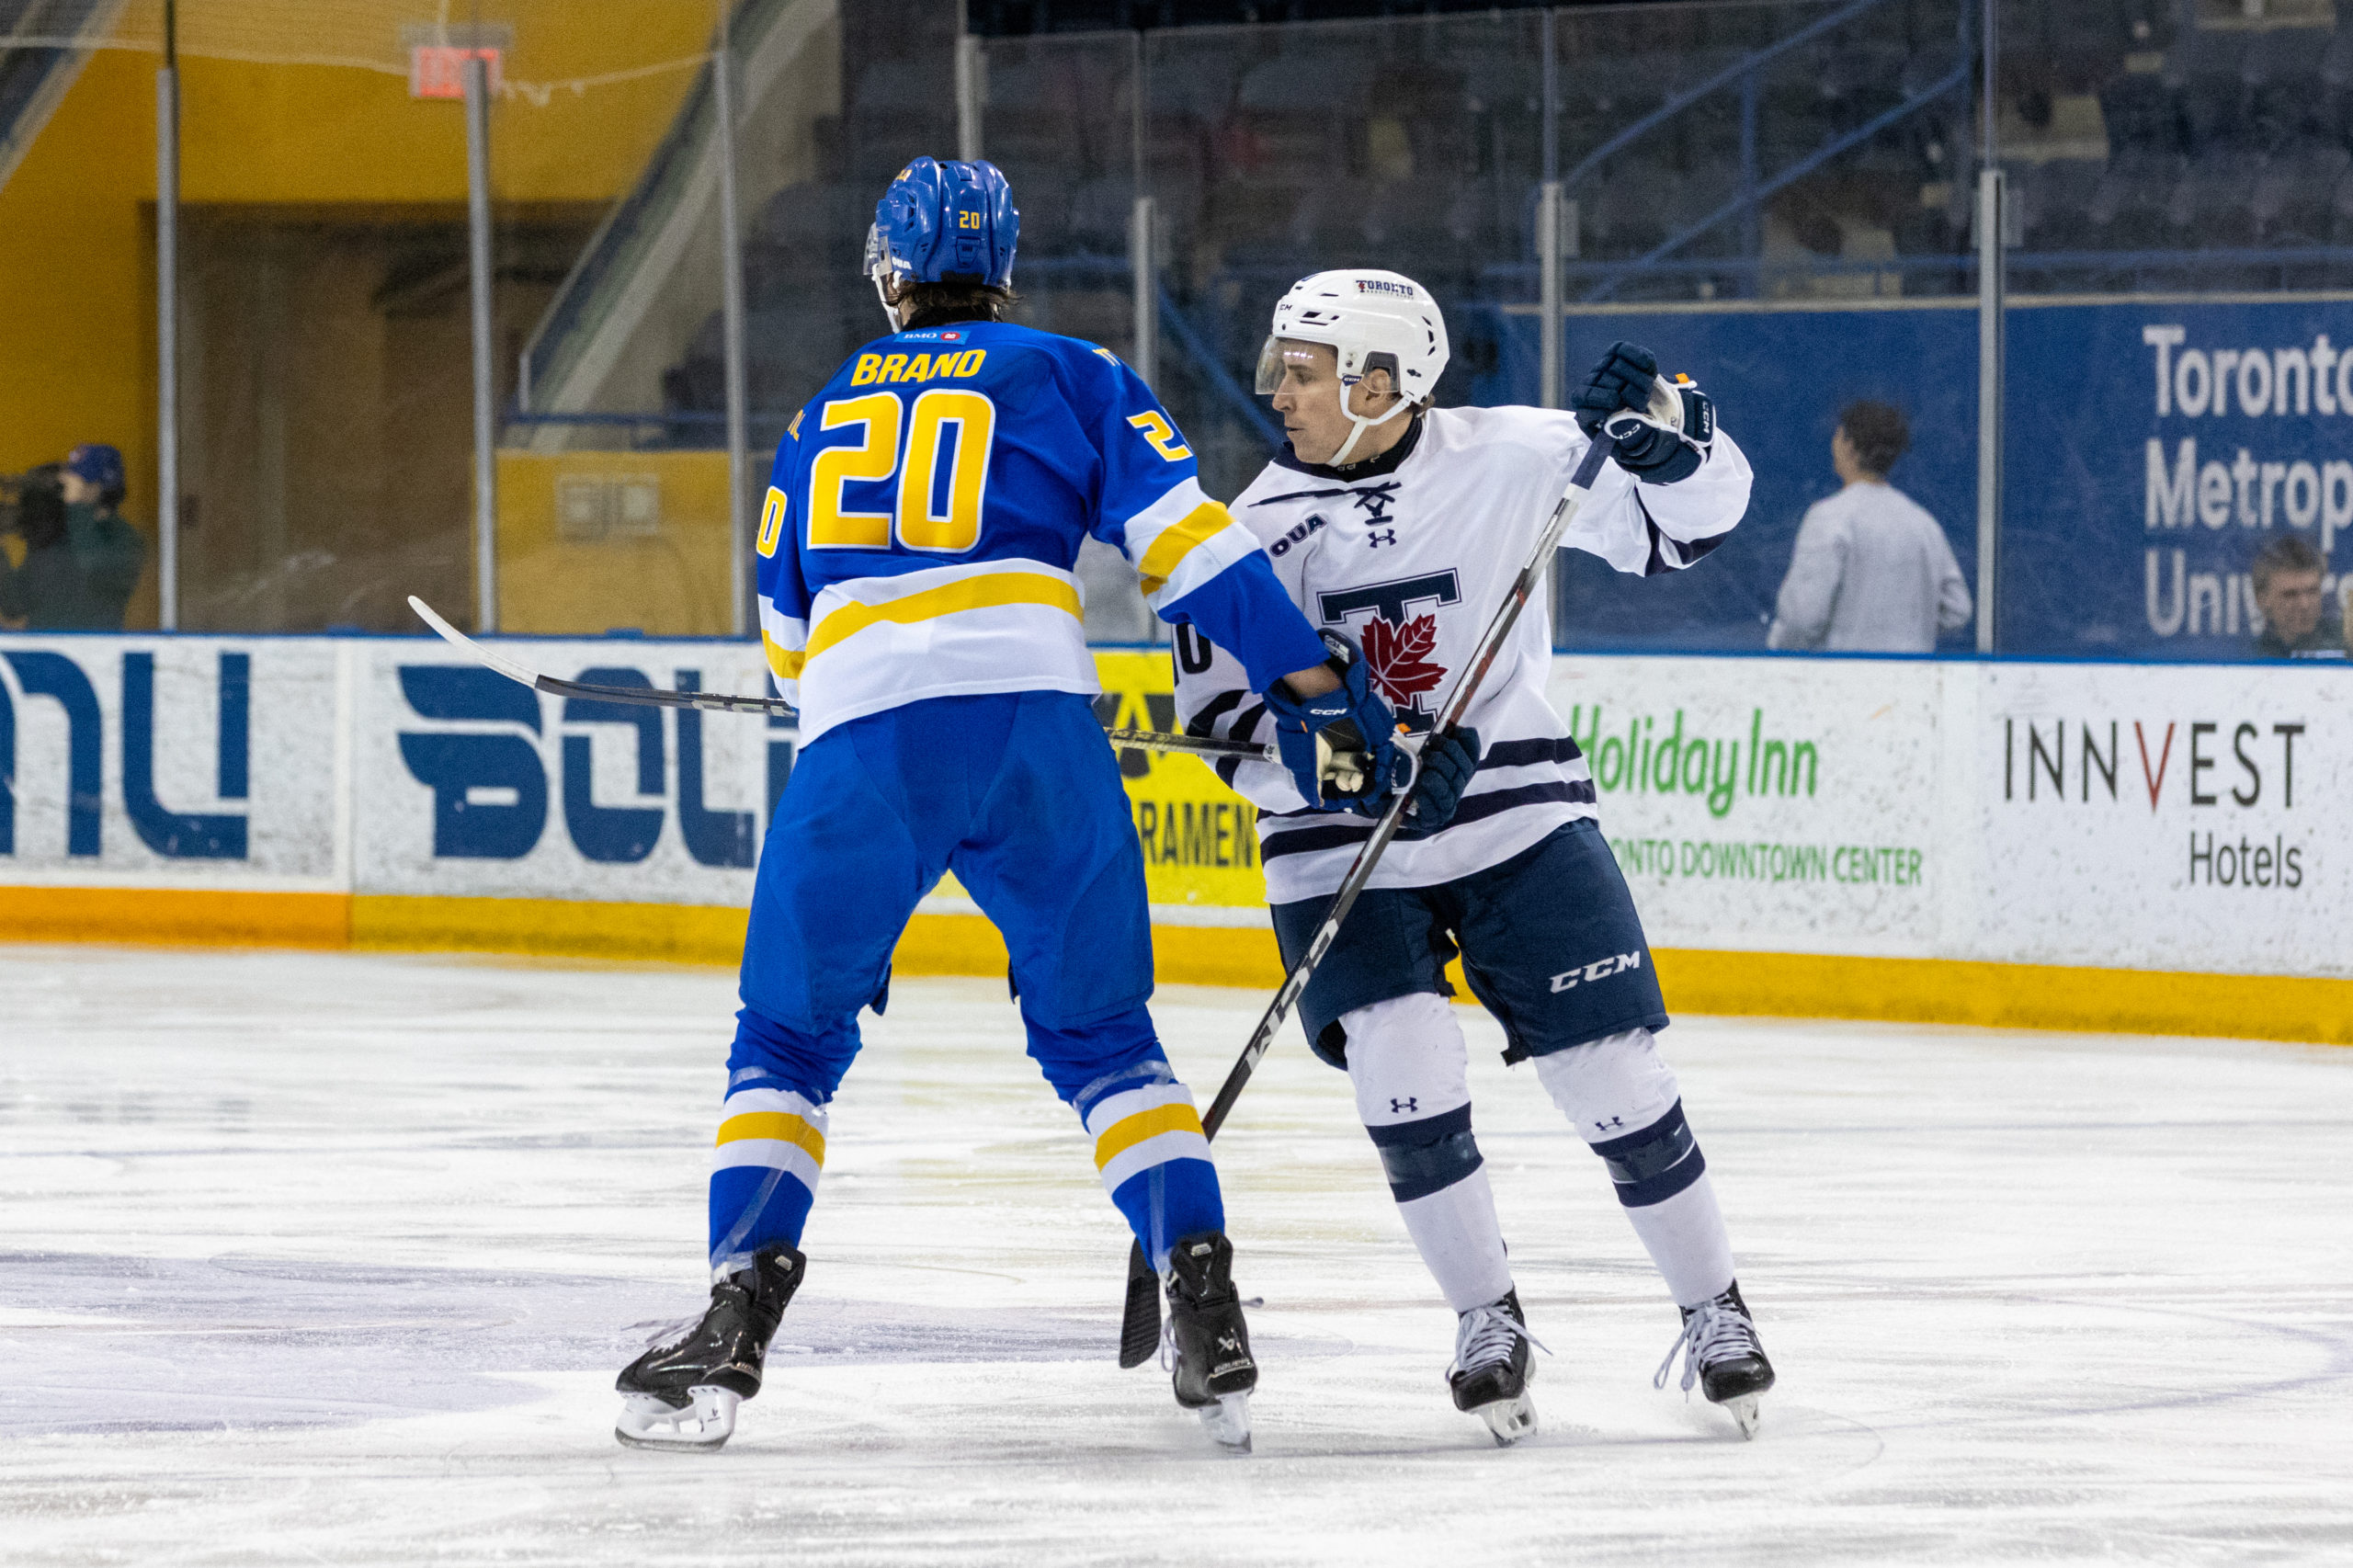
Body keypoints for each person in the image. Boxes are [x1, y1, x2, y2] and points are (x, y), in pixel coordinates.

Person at [613, 160, 1397, 1454]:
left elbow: (790, 652)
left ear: (890, 271)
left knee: (789, 1044)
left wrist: (874, 705)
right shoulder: (1071, 370)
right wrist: (1314, 687)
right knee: (1104, 1041)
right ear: (1005, 263)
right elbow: (1192, 552)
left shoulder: (818, 412)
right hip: (1041, 722)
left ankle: (735, 1319)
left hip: (862, 742)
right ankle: (1206, 1297)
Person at [1171, 271, 1775, 1445]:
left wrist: (1667, 450)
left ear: (1380, 380)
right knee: (1402, 1070)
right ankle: (1483, 1317)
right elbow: (1216, 721)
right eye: (1281, 367)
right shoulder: (1242, 533)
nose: (1277, 391)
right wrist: (1340, 763)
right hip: (1339, 840)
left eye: (1303, 369)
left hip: (1517, 809)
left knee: (1613, 1073)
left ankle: (1715, 1306)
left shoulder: (1518, 454)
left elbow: (1692, 526)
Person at [1767, 400, 1969, 653]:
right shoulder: (1923, 524)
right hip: (1915, 682)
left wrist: (1778, 652)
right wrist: (1904, 627)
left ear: (1849, 446)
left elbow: (1802, 618)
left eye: (1838, 437)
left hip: (1843, 683)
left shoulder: (1830, 517)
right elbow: (1957, 609)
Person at [0, 447, 143, 631]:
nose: (66, 486)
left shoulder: (125, 538)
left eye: (77, 480)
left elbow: (92, 563)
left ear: (101, 486)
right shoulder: (54, 536)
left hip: (95, 655)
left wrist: (77, 506)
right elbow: (15, 606)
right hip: (44, 654)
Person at [2249, 535, 2343, 658]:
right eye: (2290, 595)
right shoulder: (2248, 658)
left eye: (2312, 591)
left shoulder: (2345, 645)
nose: (2305, 605)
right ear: (2262, 600)